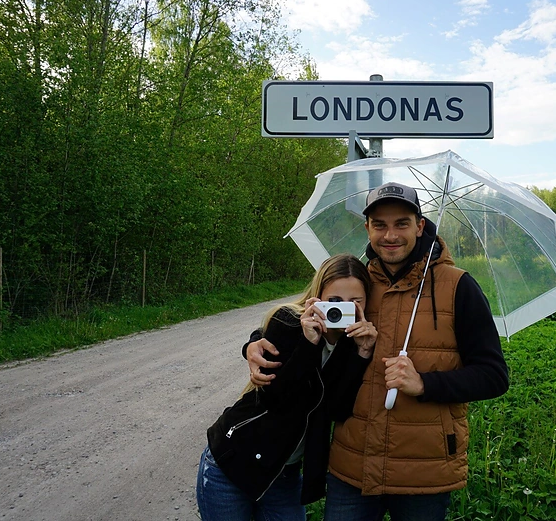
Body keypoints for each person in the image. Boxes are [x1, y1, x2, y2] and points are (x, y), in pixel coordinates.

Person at [247, 182, 510, 520]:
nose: (391, 235)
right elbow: (300, 312)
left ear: (419, 225)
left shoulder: (458, 287)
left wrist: (425, 384)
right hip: (352, 465)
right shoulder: (358, 283)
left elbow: (494, 376)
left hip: (424, 471)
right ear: (367, 228)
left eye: (401, 223)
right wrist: (254, 341)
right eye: (380, 225)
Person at [196, 254, 377, 521]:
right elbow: (274, 397)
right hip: (232, 464)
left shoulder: (353, 345)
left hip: (284, 474)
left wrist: (362, 355)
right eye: (335, 301)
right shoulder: (290, 323)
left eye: (355, 302)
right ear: (318, 297)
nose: (343, 309)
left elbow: (337, 409)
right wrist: (308, 344)